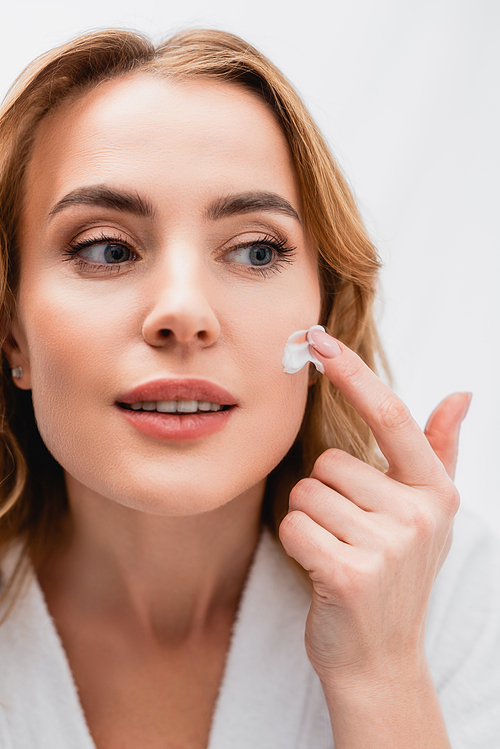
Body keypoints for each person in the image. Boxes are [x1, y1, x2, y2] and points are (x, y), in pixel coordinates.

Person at [0, 27, 498, 749]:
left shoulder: (451, 597)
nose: (184, 314)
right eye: (106, 249)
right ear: (12, 330)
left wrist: (382, 671)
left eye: (256, 250)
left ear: (322, 311)